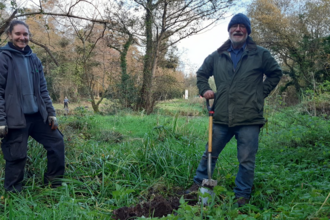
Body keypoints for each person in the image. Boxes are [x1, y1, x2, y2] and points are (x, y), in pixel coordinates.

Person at [185, 13, 282, 206]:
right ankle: (199, 186)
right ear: (229, 30)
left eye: (242, 26)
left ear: (247, 30)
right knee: (210, 154)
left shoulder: (261, 54)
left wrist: (259, 93)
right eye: (234, 26)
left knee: (246, 160)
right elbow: (202, 74)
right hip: (220, 115)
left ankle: (241, 196)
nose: (237, 29)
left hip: (249, 118)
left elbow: (275, 73)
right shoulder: (218, 55)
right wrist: (205, 89)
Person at [0, 20, 65, 192]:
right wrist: (1, 120)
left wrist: (51, 113)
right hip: (15, 118)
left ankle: (53, 185)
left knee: (57, 143)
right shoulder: (3, 57)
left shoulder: (34, 59)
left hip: (38, 116)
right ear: (9, 35)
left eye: (25, 34)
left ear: (29, 36)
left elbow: (43, 89)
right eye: (18, 34)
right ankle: (13, 195)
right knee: (16, 155)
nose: (22, 37)